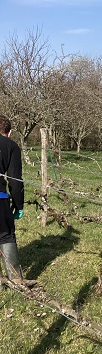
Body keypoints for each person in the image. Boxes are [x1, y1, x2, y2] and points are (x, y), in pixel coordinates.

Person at [0, 115, 24, 283]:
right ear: (9, 132)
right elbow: (15, 180)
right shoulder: (11, 146)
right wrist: (18, 205)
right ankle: (16, 281)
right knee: (6, 235)